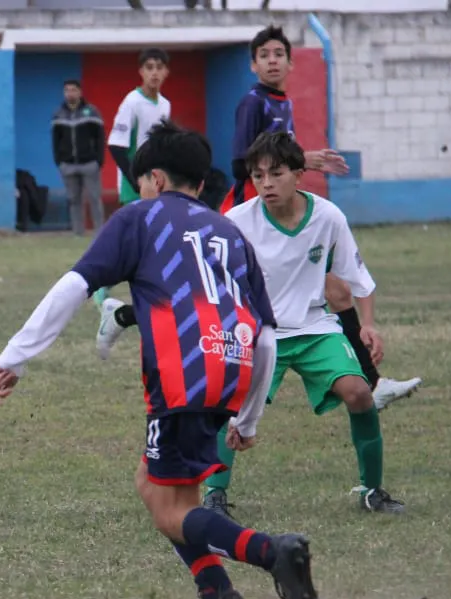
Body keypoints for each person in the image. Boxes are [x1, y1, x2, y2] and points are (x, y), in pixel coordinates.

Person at [0, 120, 321, 599]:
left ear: (157, 180)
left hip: (182, 376)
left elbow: (75, 285)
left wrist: (15, 355)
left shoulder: (140, 218)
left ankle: (272, 552)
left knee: (168, 511)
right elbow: (267, 337)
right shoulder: (230, 231)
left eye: (142, 181)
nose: (141, 191)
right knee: (157, 484)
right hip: (231, 371)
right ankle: (218, 595)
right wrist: (248, 420)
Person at [99, 26, 422, 413]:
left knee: (336, 291)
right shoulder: (253, 103)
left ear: (290, 61)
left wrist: (303, 158)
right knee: (205, 294)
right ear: (253, 64)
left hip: (280, 218)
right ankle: (124, 315)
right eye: (264, 55)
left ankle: (372, 381)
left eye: (278, 54)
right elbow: (240, 162)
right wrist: (297, 161)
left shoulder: (280, 102)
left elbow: (280, 155)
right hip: (250, 215)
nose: (272, 60)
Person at [212, 131, 406, 516]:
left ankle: (373, 492)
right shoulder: (236, 222)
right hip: (261, 333)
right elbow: (214, 284)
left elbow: (356, 276)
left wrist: (367, 325)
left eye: (276, 173)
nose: (266, 183)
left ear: (299, 174)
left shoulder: (328, 217)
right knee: (227, 408)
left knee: (359, 393)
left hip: (315, 327)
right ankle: (214, 496)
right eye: (257, 175)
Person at [91, 48, 171, 309]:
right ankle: (101, 283)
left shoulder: (165, 105)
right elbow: (116, 145)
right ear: (141, 71)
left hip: (157, 181)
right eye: (149, 67)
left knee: (151, 237)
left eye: (159, 67)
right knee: (133, 237)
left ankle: (152, 287)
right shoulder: (132, 102)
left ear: (166, 71)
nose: (155, 72)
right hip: (134, 181)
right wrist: (136, 178)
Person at [52, 79, 106, 235]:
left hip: (89, 164)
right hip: (68, 165)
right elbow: (55, 140)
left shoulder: (92, 112)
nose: (70, 93)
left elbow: (100, 138)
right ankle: (78, 232)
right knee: (74, 200)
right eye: (67, 90)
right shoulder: (58, 115)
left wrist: (98, 160)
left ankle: (100, 232)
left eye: (73, 90)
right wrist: (59, 161)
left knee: (94, 198)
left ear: (80, 92)